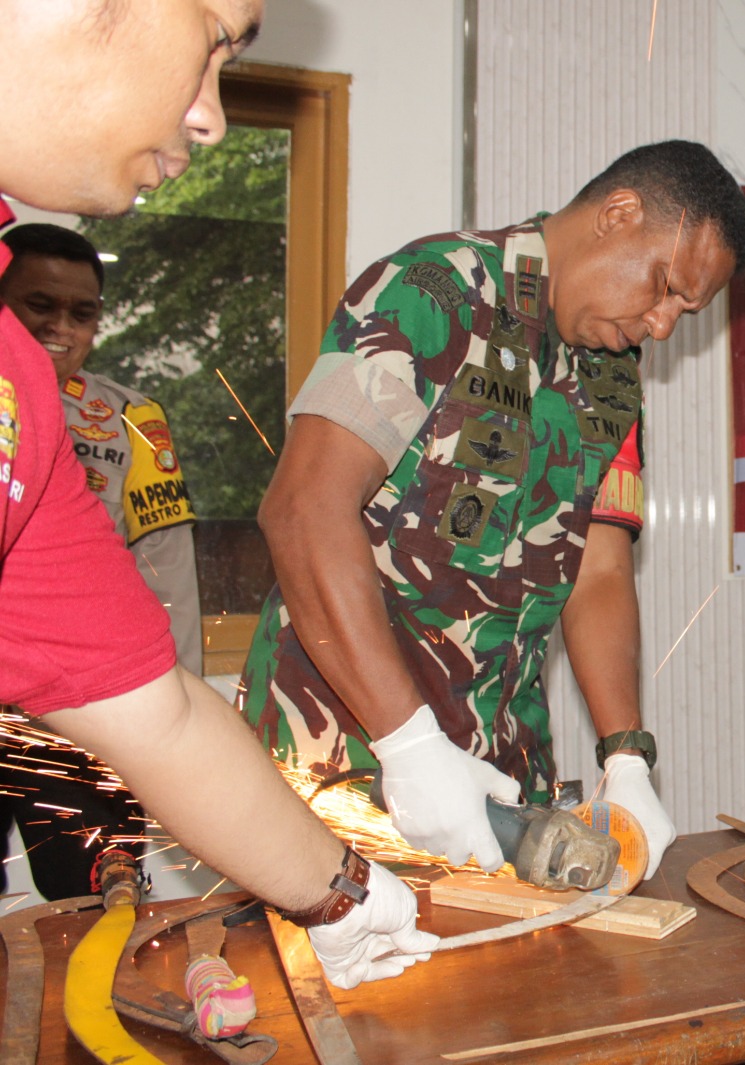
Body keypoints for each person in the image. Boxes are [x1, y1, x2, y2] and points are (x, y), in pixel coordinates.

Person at [0, 0, 435, 989]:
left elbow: (155, 714)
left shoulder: (19, 388)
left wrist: (341, 891)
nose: (210, 118)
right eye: (212, 45)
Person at [240, 139, 745, 880]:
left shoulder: (613, 380)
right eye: (666, 287)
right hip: (346, 760)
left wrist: (625, 754)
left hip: (502, 773)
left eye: (687, 309)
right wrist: (408, 743)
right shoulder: (433, 292)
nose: (666, 324)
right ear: (618, 214)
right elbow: (303, 509)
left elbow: (599, 568)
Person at [0, 222, 205, 899]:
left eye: (81, 312)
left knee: (100, 907)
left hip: (89, 721)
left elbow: (167, 565)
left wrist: (180, 712)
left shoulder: (131, 419)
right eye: (39, 304)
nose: (61, 326)